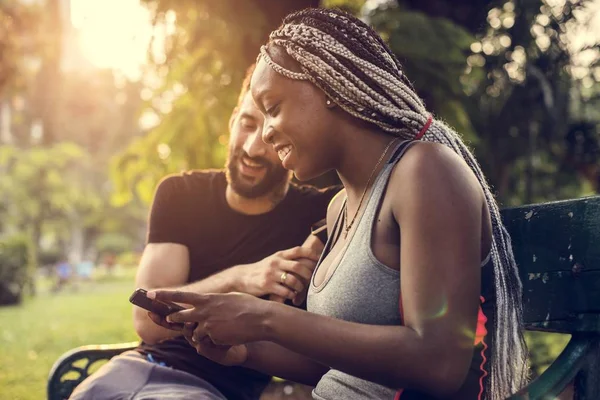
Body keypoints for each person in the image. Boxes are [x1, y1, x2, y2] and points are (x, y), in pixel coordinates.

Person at [149, 8, 529, 400]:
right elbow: (340, 363)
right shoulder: (339, 208)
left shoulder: (425, 171)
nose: (266, 134)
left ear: (328, 87)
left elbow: (440, 362)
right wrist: (243, 351)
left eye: (273, 108)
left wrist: (265, 318)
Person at [69, 64, 340, 400]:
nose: (254, 148)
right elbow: (147, 322)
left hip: (207, 390)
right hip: (128, 370)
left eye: (273, 135)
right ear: (232, 121)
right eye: (247, 124)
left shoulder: (325, 214)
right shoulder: (180, 193)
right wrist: (240, 278)